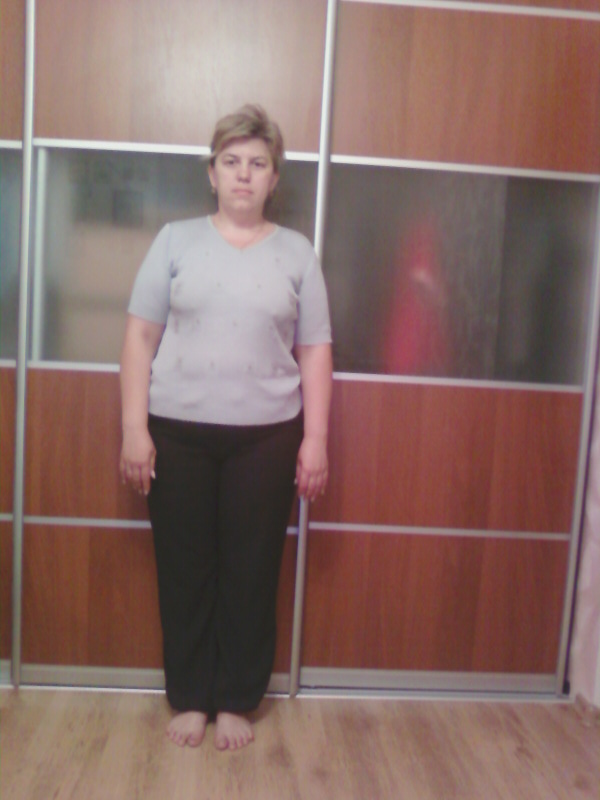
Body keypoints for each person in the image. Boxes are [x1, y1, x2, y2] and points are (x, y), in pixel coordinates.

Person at [119, 105, 333, 751]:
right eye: (231, 162)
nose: (244, 174)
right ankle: (190, 696)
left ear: (274, 178)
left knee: (252, 570)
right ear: (212, 174)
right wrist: (134, 428)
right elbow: (139, 337)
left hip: (267, 437)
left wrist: (316, 439)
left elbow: (315, 350)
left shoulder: (297, 253)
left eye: (257, 164)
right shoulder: (175, 241)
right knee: (184, 569)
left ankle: (238, 699)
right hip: (176, 432)